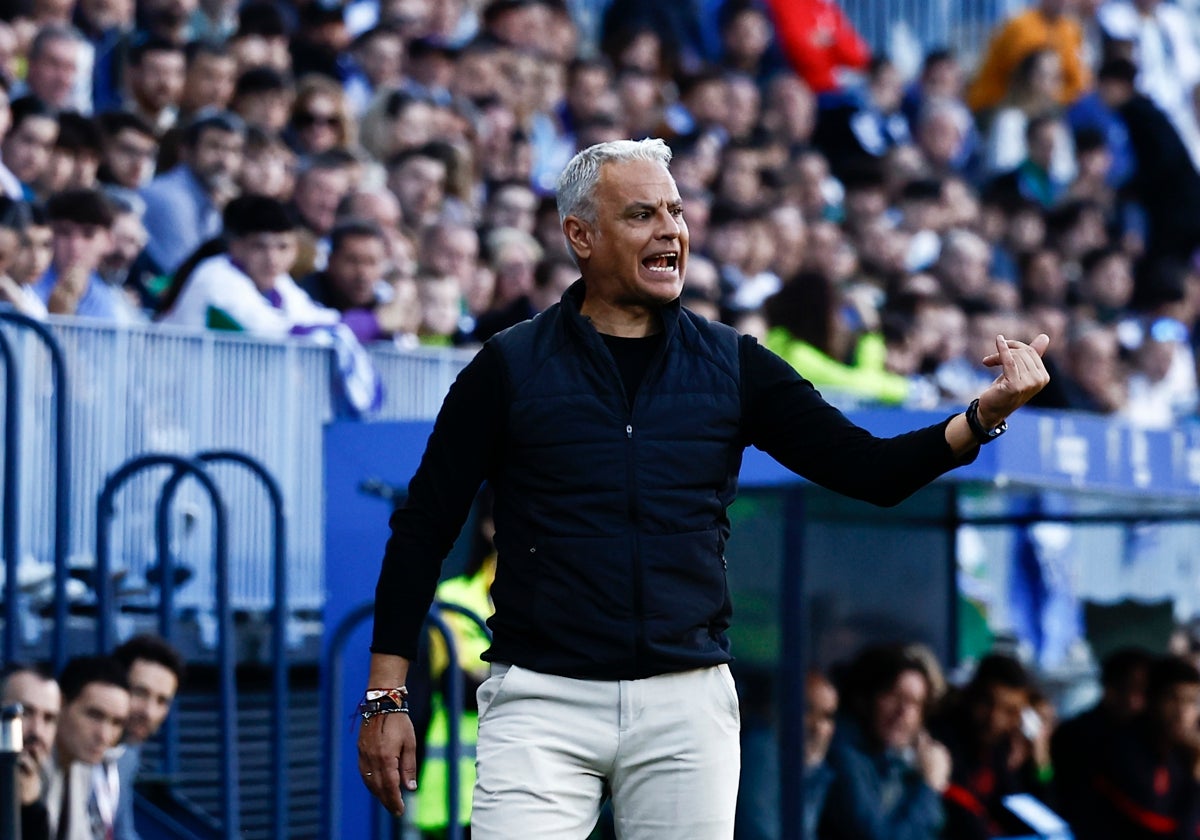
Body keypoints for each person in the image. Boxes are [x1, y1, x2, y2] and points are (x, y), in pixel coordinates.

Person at [357, 138, 1050, 837]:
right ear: (581, 236)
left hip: (685, 708)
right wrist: (386, 697)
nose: (670, 230)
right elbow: (423, 527)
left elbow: (867, 470)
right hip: (542, 699)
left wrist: (979, 418)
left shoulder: (733, 364)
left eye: (677, 212)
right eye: (641, 214)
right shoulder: (508, 366)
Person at [819, 644, 950, 840]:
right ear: (863, 700)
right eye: (893, 696)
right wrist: (929, 787)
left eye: (914, 703)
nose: (903, 712)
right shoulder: (843, 757)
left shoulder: (897, 759)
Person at [139, 109, 245, 274]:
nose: (225, 161)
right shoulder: (169, 197)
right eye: (214, 147)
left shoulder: (218, 197)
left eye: (234, 151)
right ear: (186, 151)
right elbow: (187, 275)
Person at [110, 633, 186, 840]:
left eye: (162, 701)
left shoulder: (127, 754)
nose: (149, 713)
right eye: (140, 693)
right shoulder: (76, 749)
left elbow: (122, 832)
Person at [47, 655, 131, 840]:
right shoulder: (30, 763)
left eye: (117, 722)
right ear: (60, 705)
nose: (104, 735)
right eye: (94, 715)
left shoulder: (81, 766)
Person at [0, 664, 62, 839]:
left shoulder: (43, 781)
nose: (37, 731)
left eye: (49, 718)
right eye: (25, 713)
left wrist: (30, 806)